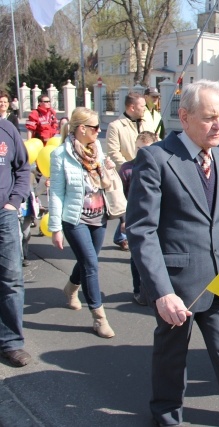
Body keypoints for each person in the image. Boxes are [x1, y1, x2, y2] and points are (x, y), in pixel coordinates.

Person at [127, 80, 219, 427]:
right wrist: (162, 293)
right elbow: (142, 231)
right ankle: (166, 417)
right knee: (171, 357)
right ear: (184, 116)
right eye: (210, 117)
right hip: (178, 285)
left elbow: (211, 227)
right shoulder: (156, 159)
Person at [49, 107, 116, 339]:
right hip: (75, 218)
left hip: (99, 216)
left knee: (89, 260)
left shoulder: (96, 150)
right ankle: (99, 318)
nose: (99, 131)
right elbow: (56, 193)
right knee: (90, 265)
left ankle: (70, 289)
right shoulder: (61, 155)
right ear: (82, 129)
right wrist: (55, 227)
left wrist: (107, 170)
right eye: (96, 127)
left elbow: (105, 184)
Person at [0, 118, 32, 367]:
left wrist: (14, 202)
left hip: (4, 214)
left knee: (11, 277)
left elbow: (22, 169)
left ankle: (11, 342)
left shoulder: (6, 129)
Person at [106, 91, 154, 251]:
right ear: (132, 107)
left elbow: (155, 143)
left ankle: (122, 235)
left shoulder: (147, 122)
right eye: (142, 106)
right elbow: (113, 152)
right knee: (129, 205)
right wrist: (130, 167)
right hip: (128, 173)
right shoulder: (116, 126)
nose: (145, 108)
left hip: (148, 171)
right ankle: (128, 236)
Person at [119, 131, 157, 305]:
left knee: (156, 256)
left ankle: (154, 290)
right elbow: (120, 198)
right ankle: (138, 291)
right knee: (136, 257)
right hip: (134, 218)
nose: (142, 153)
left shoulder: (159, 166)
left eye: (147, 149)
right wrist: (124, 219)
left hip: (156, 218)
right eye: (138, 149)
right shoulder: (127, 169)